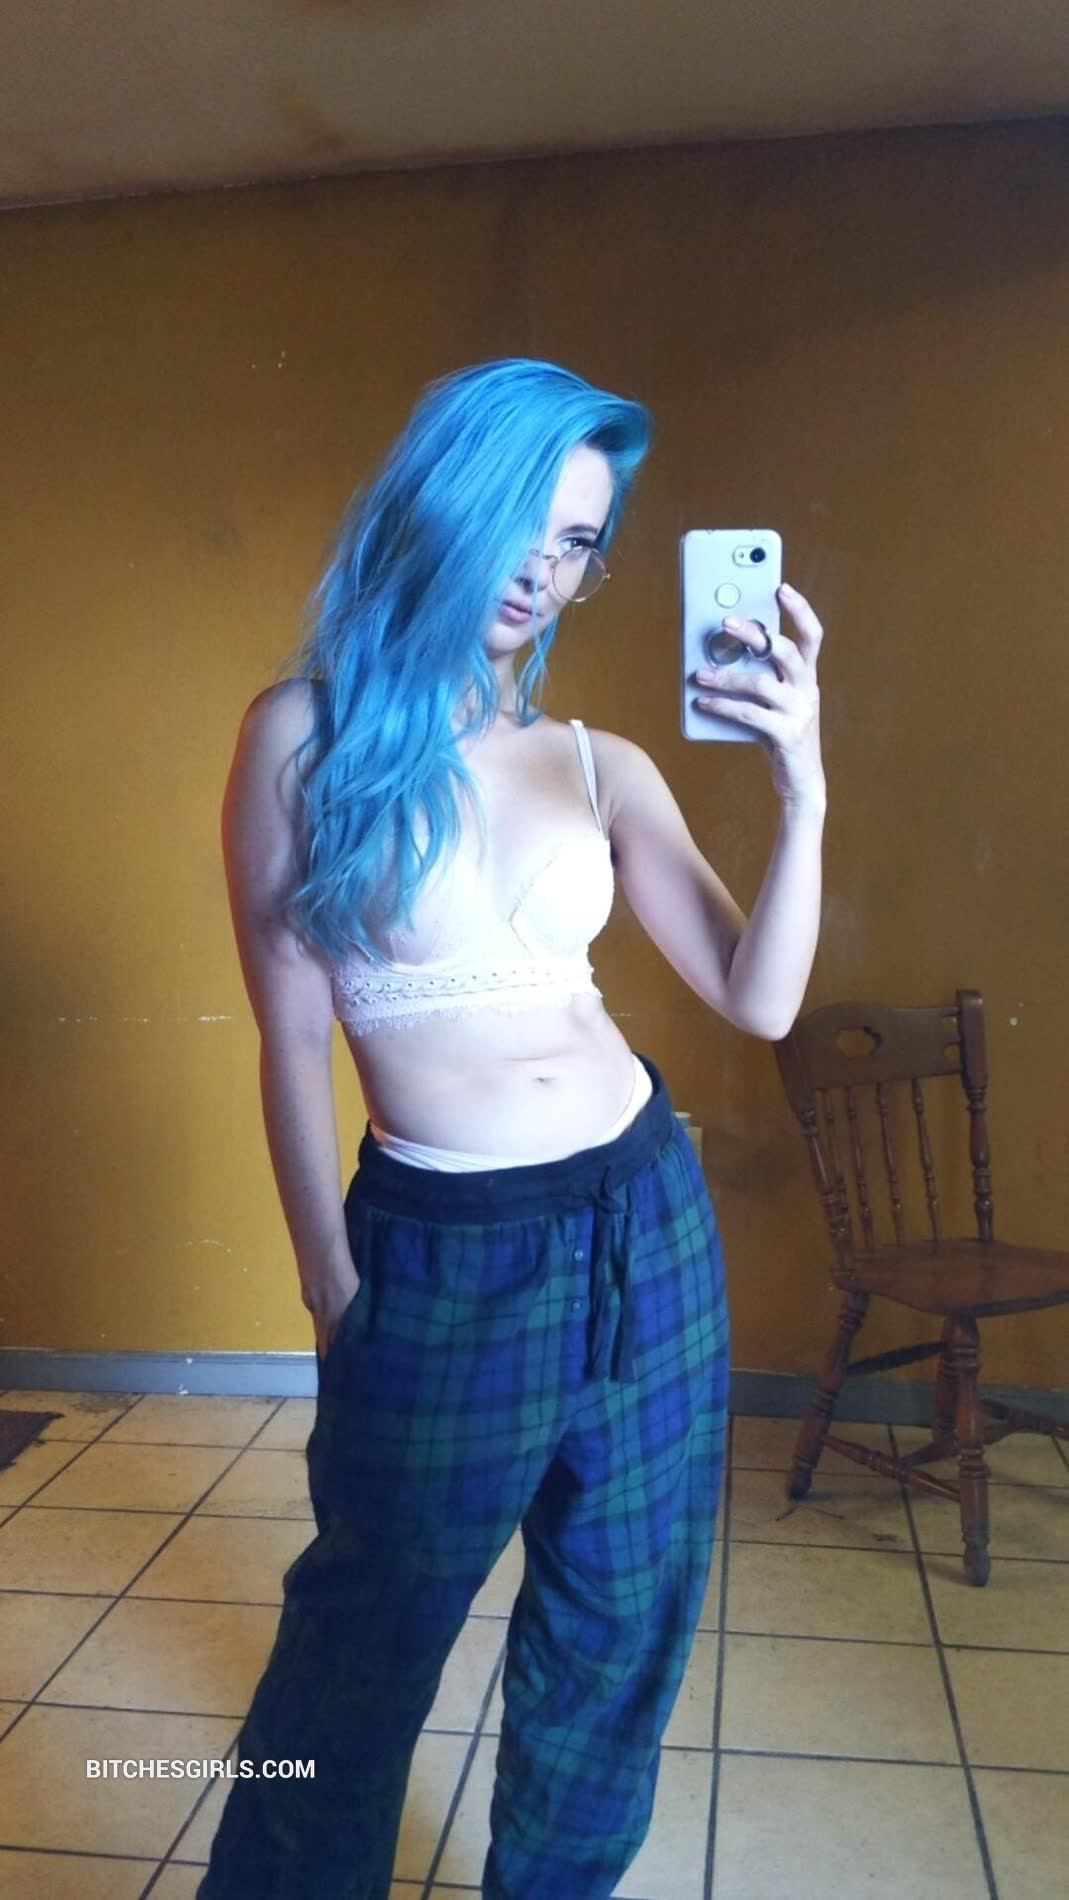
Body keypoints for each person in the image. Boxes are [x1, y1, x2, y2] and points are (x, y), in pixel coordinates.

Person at [199, 357, 827, 1899]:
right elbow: (289, 1036)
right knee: (358, 1648)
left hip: (643, 1219)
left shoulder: (597, 760)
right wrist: (329, 1280)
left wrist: (802, 786)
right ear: (438, 506)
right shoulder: (298, 738)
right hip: (443, 1251)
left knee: (617, 1627)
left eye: (580, 545)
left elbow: (758, 999)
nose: (544, 573)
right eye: (524, 526)